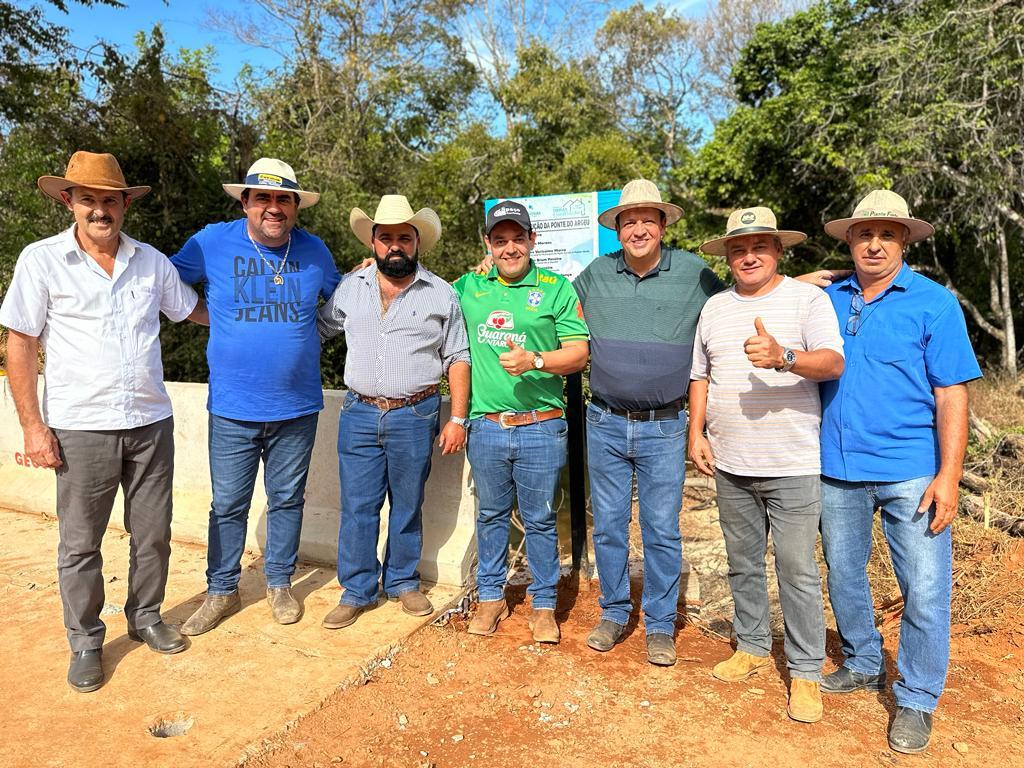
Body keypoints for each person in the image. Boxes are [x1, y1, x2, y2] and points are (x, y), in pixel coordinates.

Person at [0, 151, 206, 692]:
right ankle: (87, 642)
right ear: (68, 201)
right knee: (80, 543)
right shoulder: (41, 261)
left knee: (155, 535)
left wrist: (266, 299)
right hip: (80, 425)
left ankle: (146, 617)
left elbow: (192, 312)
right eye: (87, 198)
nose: (99, 210)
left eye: (109, 200)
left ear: (124, 206)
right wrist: (32, 427)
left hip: (149, 422)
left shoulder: (152, 263)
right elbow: (19, 344)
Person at [817, 190, 981, 753]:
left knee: (927, 589)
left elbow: (951, 394)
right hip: (836, 467)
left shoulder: (934, 303)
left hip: (912, 469)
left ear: (904, 240)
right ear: (849, 240)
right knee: (843, 573)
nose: (875, 244)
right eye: (864, 234)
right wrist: (804, 280)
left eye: (887, 234)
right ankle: (864, 661)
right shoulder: (828, 298)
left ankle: (915, 698)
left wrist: (949, 475)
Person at [171, 158, 341, 634]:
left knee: (287, 499)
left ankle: (279, 583)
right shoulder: (211, 242)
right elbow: (163, 284)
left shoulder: (314, 251)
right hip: (232, 407)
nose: (273, 208)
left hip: (298, 406)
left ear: (295, 207)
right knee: (227, 503)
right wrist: (207, 314)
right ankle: (221, 591)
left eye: (283, 199)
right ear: (244, 202)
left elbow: (347, 298)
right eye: (262, 198)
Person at [688, 207, 844, 723]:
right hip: (731, 461)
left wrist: (784, 357)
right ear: (728, 256)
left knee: (797, 570)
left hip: (793, 461)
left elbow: (833, 362)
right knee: (743, 562)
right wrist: (697, 432)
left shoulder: (808, 299)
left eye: (758, 246)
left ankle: (804, 671)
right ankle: (753, 647)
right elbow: (700, 375)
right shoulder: (714, 308)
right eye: (738, 249)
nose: (748, 256)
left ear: (779, 251)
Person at [572, 179, 726, 666]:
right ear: (617, 229)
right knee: (611, 527)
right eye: (628, 220)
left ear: (662, 225)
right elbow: (549, 306)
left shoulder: (695, 275)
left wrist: (791, 285)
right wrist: (490, 271)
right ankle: (615, 613)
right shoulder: (596, 274)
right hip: (605, 422)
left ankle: (659, 624)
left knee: (661, 528)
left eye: (647, 219)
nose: (638, 228)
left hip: (665, 426)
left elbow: (739, 303)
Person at [317, 194, 470, 629]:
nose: (395, 245)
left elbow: (458, 356)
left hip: (416, 414)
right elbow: (321, 328)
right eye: (386, 237)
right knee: (359, 506)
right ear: (373, 243)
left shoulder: (442, 294)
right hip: (360, 413)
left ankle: (402, 579)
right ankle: (358, 589)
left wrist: (457, 417)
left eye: (404, 237)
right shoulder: (351, 287)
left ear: (417, 242)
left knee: (407, 503)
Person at [453, 201, 589, 643]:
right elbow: (420, 291)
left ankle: (545, 604)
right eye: (499, 240)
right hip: (488, 426)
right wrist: (370, 271)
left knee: (541, 519)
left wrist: (536, 359)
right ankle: (491, 597)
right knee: (490, 516)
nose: (509, 248)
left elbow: (579, 353)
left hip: (541, 425)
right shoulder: (469, 286)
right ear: (487, 244)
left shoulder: (555, 287)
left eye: (517, 239)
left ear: (532, 240)